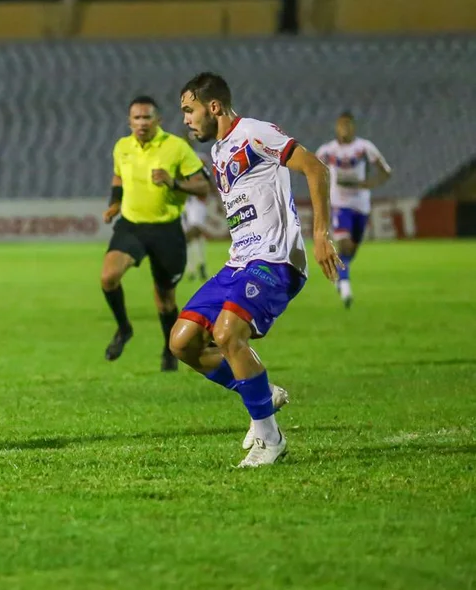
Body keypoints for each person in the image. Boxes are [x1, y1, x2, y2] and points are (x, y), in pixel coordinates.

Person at [171, 72, 342, 467]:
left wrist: (320, 235)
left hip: (276, 259)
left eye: (189, 110)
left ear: (213, 106)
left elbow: (316, 168)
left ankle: (270, 438)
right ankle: (262, 395)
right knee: (182, 342)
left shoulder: (254, 132)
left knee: (228, 332)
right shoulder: (217, 152)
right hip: (239, 261)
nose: (186, 119)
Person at [101, 96, 211, 372]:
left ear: (158, 120)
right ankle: (124, 328)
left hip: (166, 230)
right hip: (132, 226)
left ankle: (169, 349)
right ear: (129, 122)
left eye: (146, 117)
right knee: (108, 277)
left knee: (165, 299)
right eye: (136, 118)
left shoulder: (176, 147)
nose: (141, 123)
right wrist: (115, 203)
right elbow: (118, 177)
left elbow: (202, 186)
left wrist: (173, 182)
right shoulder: (122, 147)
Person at [315, 112, 392, 308]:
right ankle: (346, 288)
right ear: (336, 127)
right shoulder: (326, 151)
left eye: (348, 125)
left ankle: (341, 275)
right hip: (340, 203)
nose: (344, 129)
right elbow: (313, 171)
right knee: (344, 245)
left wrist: (369, 184)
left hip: (361, 204)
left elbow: (386, 172)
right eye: (341, 125)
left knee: (353, 248)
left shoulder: (364, 148)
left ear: (354, 127)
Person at [182, 131, 215, 281]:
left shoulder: (200, 158)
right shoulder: (178, 159)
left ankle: (199, 263)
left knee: (195, 230)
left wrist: (215, 193)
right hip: (183, 200)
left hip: (198, 199)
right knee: (191, 232)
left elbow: (208, 179)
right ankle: (192, 268)